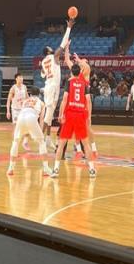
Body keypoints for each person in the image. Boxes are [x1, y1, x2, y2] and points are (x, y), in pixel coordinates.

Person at [51, 64, 96, 178]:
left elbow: (65, 99)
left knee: (61, 143)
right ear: (79, 73)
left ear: (71, 72)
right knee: (86, 144)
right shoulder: (84, 84)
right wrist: (89, 117)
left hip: (70, 115)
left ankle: (56, 170)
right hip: (80, 115)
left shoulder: (69, 82)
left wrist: (61, 114)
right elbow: (88, 101)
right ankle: (92, 169)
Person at [41, 18, 74, 149]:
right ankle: (40, 140)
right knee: (48, 116)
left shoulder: (43, 62)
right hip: (52, 88)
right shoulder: (53, 56)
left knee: (50, 116)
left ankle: (48, 139)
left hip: (49, 86)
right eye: (50, 48)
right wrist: (69, 28)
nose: (52, 48)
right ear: (48, 51)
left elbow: (42, 75)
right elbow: (63, 43)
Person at [7, 86, 52, 177]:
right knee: (42, 142)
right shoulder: (41, 103)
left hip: (21, 118)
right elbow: (41, 119)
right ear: (39, 95)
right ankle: (46, 169)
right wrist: (40, 132)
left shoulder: (25, 101)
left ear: (30, 94)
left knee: (15, 142)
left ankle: (10, 169)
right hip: (31, 117)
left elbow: (22, 110)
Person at [64, 43, 97, 159]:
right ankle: (78, 150)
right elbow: (67, 59)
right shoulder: (75, 70)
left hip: (85, 102)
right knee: (76, 127)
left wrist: (79, 59)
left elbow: (85, 65)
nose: (82, 61)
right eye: (81, 60)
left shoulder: (86, 71)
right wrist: (67, 47)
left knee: (87, 127)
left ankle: (94, 149)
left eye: (84, 61)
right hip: (75, 102)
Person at [6, 74, 30, 151]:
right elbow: (8, 100)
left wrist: (30, 104)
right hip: (15, 110)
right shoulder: (13, 88)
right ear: (16, 79)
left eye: (22, 77)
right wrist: (8, 111)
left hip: (23, 109)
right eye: (19, 77)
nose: (21, 79)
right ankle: (14, 144)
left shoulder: (24, 87)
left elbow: (27, 98)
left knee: (27, 125)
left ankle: (25, 142)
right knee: (16, 128)